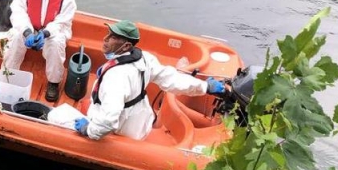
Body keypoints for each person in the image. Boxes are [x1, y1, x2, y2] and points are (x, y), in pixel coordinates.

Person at [73, 20, 226, 141]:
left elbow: (109, 120)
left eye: (113, 37)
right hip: (140, 123)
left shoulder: (116, 78)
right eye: (108, 34)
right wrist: (205, 86)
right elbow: (172, 79)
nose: (105, 39)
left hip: (122, 131)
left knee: (77, 109)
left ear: (126, 45)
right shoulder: (145, 58)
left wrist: (89, 130)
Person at [0, 0, 77, 102]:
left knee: (56, 44)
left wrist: (46, 32)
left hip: (52, 31)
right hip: (30, 27)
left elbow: (63, 21)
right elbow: (18, 10)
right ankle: (8, 75)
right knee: (15, 39)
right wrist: (27, 31)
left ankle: (53, 82)